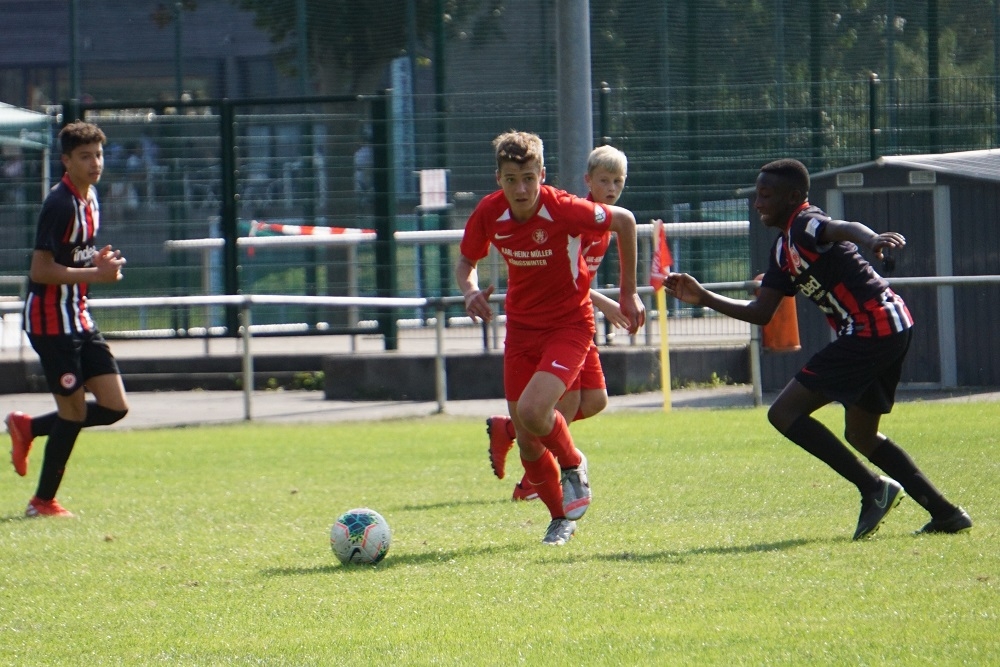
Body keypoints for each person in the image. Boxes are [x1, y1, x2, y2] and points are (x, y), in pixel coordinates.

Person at [663, 158, 972, 539]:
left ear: (794, 197)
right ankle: (945, 513)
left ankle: (874, 488)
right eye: (757, 195)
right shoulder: (783, 249)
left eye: (766, 195)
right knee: (860, 435)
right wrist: (705, 297)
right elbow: (762, 312)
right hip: (887, 326)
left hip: (871, 328)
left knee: (784, 412)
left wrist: (871, 238)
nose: (758, 203)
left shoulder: (806, 222)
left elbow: (840, 228)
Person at [456, 131, 645, 545]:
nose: (520, 189)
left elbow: (626, 221)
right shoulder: (490, 211)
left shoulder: (563, 208)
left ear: (542, 174)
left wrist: (628, 292)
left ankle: (574, 464)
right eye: (510, 179)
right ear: (498, 179)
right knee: (528, 439)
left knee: (538, 410)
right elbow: (467, 260)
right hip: (521, 329)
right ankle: (561, 518)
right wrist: (470, 290)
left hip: (568, 325)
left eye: (528, 177)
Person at [487, 145, 633, 502]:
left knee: (595, 401)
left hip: (576, 318)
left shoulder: (605, 225)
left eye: (618, 181)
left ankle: (511, 430)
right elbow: (561, 278)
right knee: (561, 405)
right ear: (588, 181)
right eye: (604, 180)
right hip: (560, 323)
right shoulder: (579, 220)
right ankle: (534, 480)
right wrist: (610, 302)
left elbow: (577, 278)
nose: (611, 188)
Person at [5, 120, 129, 518]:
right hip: (50, 323)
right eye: (85, 156)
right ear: (66, 161)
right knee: (73, 412)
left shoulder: (91, 199)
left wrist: (99, 263)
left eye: (99, 154)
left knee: (114, 407)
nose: (95, 163)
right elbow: (40, 271)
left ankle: (28, 428)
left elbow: (72, 257)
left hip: (79, 317)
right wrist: (96, 274)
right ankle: (42, 503)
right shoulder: (59, 204)